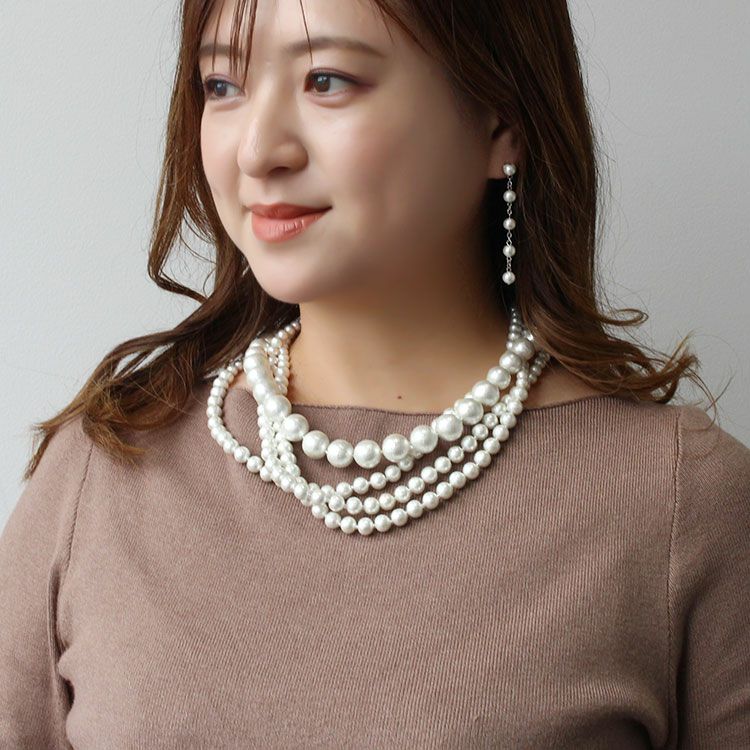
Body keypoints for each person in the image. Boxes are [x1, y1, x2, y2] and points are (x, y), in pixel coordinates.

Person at [1, 0, 748, 747]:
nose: (257, 151)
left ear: (501, 121)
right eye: (222, 86)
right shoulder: (104, 474)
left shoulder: (677, 499)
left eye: (326, 79)